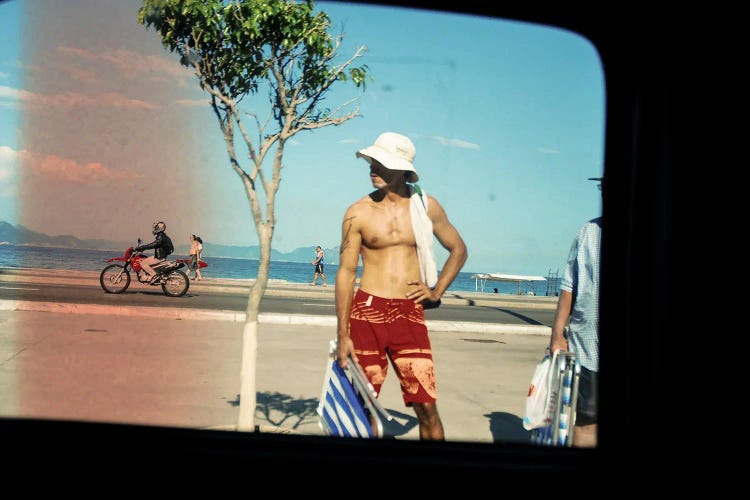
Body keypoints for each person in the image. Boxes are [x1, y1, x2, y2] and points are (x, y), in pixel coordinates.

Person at [335, 131, 468, 441]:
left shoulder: (426, 206)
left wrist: (436, 292)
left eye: (381, 164)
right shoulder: (358, 213)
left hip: (408, 314)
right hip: (366, 313)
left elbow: (458, 249)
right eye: (372, 162)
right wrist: (342, 335)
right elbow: (345, 273)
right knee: (360, 407)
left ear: (402, 170)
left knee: (426, 407)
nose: (373, 168)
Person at [548, 177, 602, 448]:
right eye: (603, 188)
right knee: (587, 419)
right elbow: (569, 285)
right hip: (588, 346)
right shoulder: (588, 232)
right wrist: (557, 333)